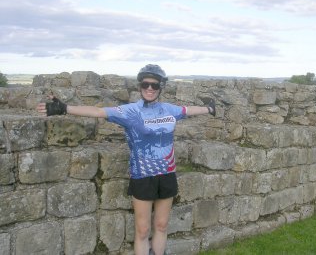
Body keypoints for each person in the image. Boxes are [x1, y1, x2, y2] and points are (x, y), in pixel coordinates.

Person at [36, 64, 216, 255]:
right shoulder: (130, 111)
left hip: (167, 173)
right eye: (146, 84)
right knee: (143, 230)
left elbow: (188, 110)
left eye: (154, 85)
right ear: (140, 86)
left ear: (160, 88)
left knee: (162, 225)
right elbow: (98, 112)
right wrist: (64, 108)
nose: (149, 88)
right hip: (142, 175)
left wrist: (209, 108)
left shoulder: (169, 110)